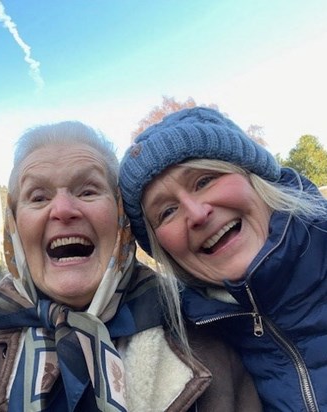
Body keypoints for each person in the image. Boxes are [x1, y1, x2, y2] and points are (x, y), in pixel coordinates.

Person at [0, 120, 261, 411]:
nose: (62, 209)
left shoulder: (205, 329)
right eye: (38, 197)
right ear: (14, 228)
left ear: (122, 220)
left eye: (88, 190)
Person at [119, 106, 327, 411]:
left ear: (253, 175)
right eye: (167, 211)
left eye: (205, 181)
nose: (197, 213)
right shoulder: (192, 356)